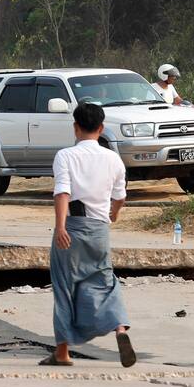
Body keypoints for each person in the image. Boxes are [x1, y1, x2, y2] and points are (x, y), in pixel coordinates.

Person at [43, 101, 135, 368]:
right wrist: (113, 215)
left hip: (72, 227)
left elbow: (63, 192)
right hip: (99, 230)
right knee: (104, 281)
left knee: (64, 287)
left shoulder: (66, 156)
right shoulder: (113, 159)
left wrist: (60, 226)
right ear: (102, 128)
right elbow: (120, 197)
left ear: (76, 127)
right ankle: (120, 329)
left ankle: (62, 353)